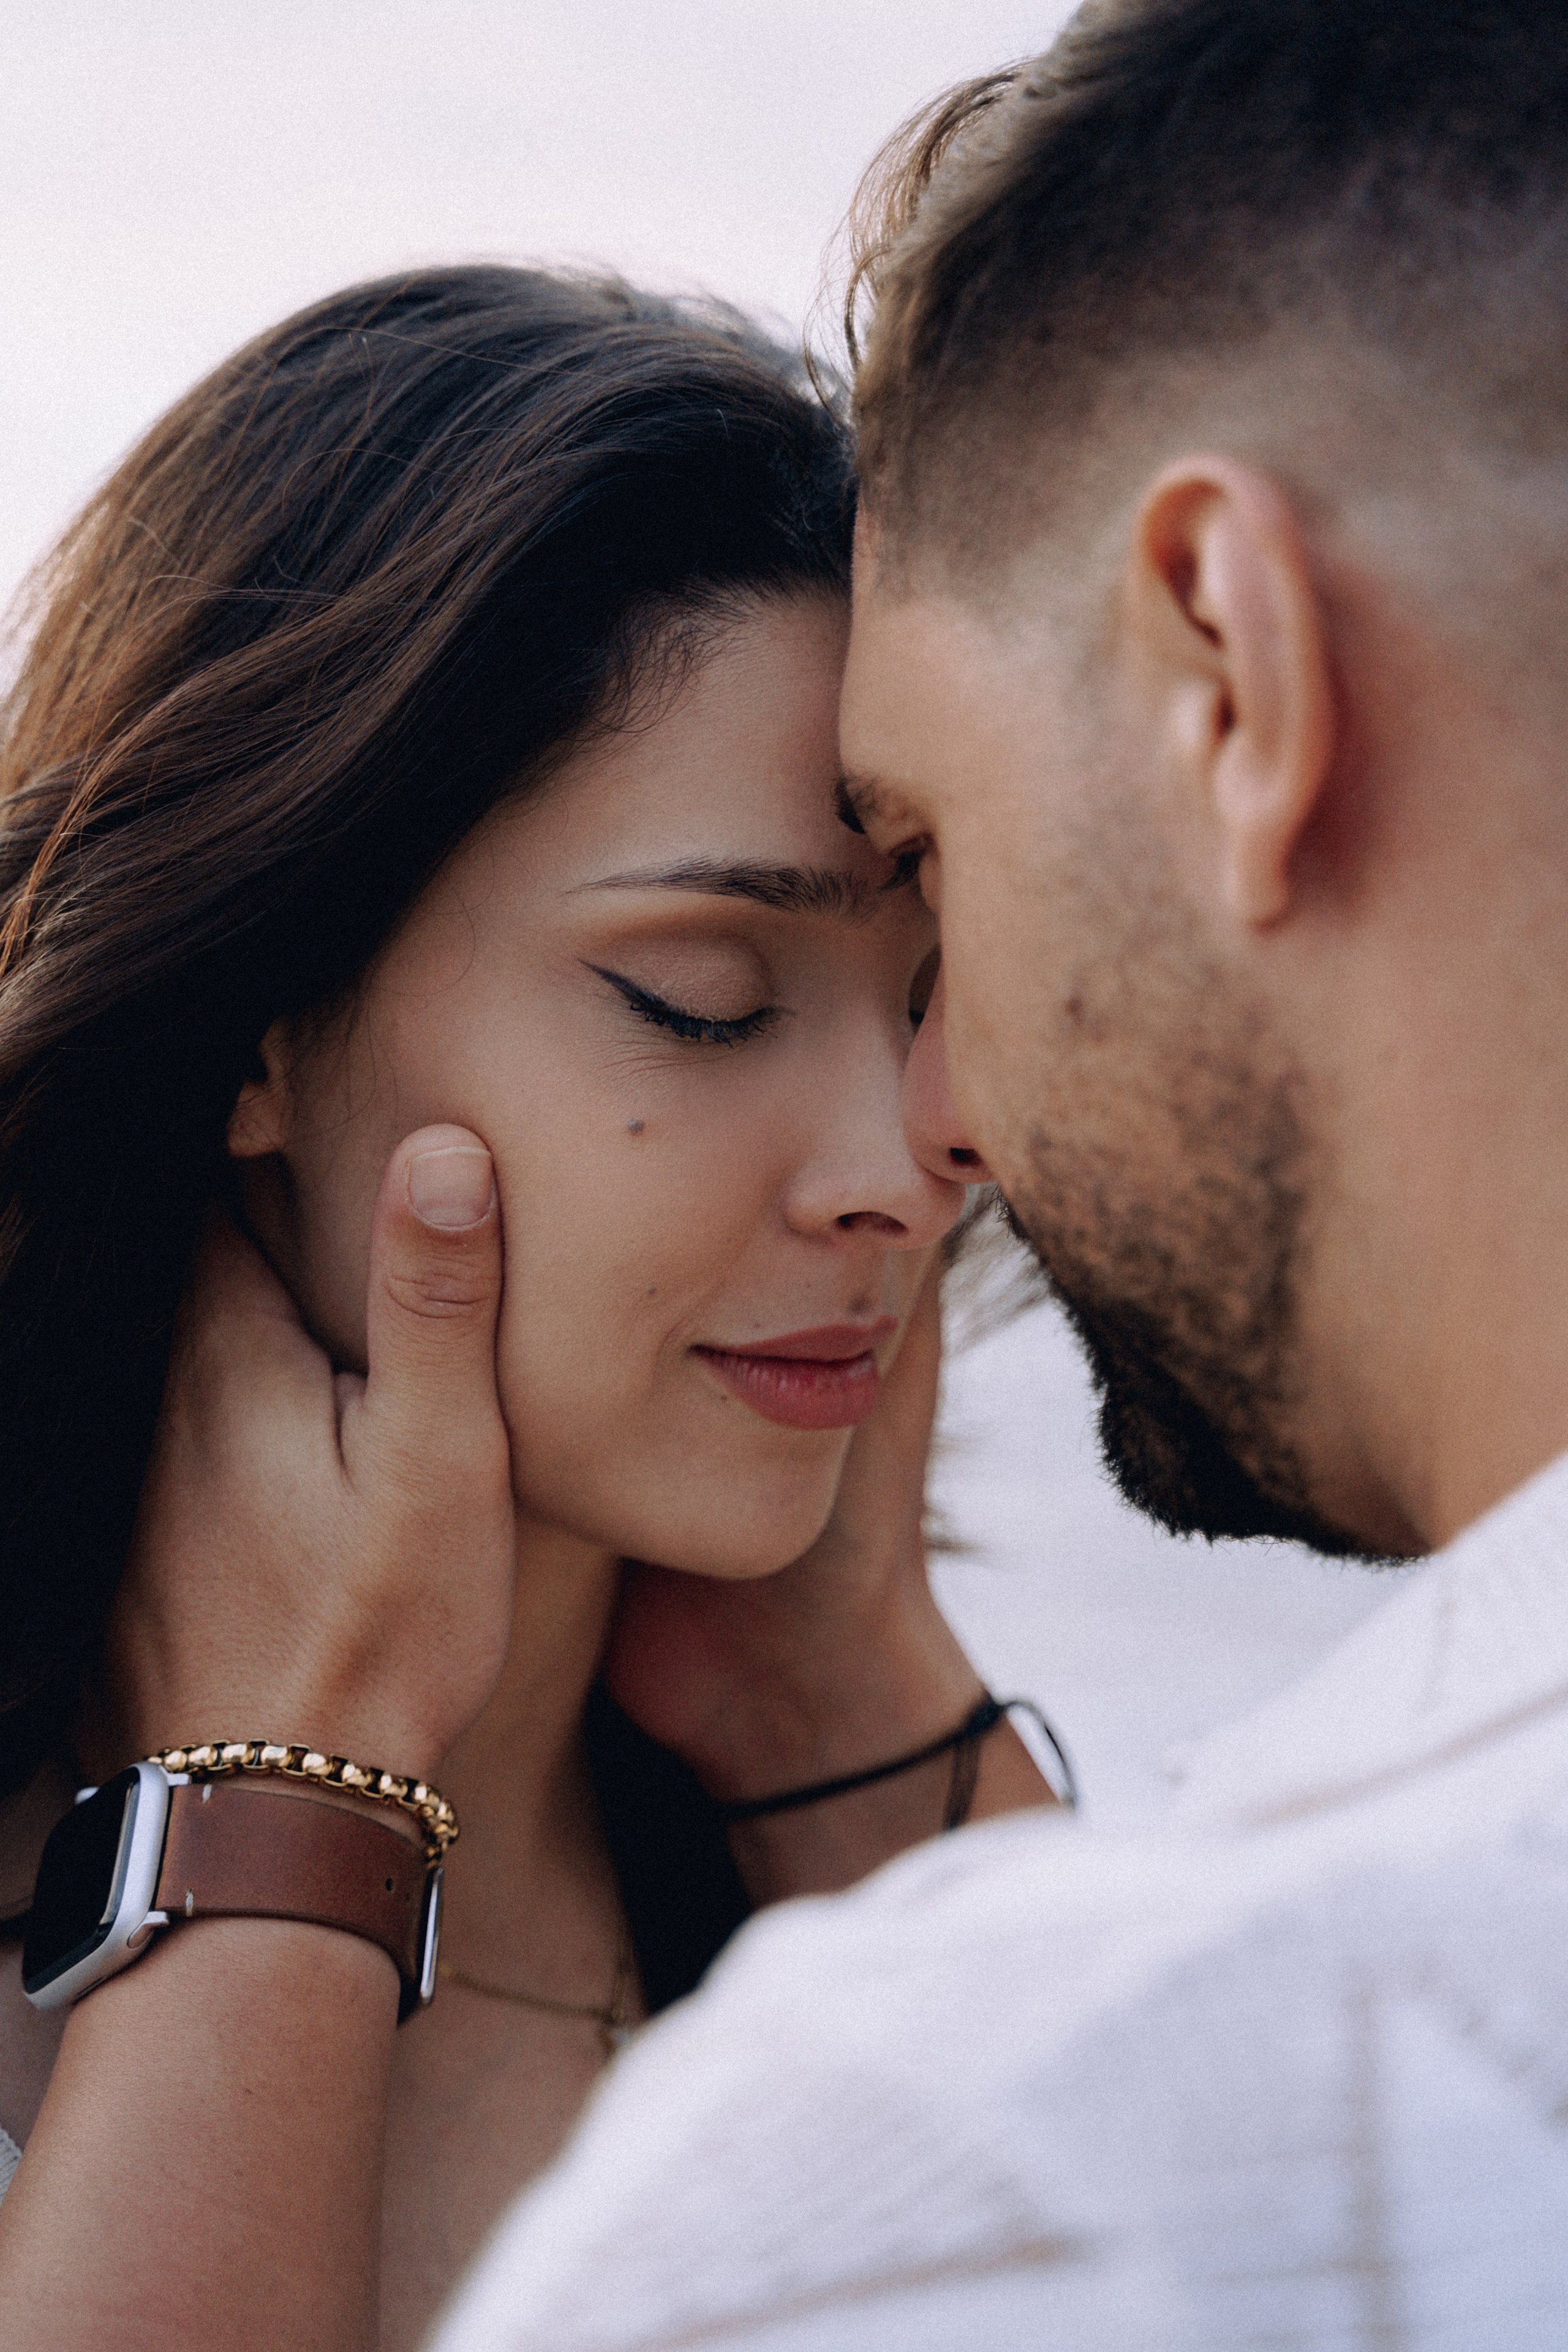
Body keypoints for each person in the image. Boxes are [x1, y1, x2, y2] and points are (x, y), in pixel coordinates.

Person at [0, 265, 1055, 2350]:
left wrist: (853, 1707)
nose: (910, 1158)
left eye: (944, 999)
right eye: (704, 1001)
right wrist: (289, 1797)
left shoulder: (828, 1849)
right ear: (255, 1020)